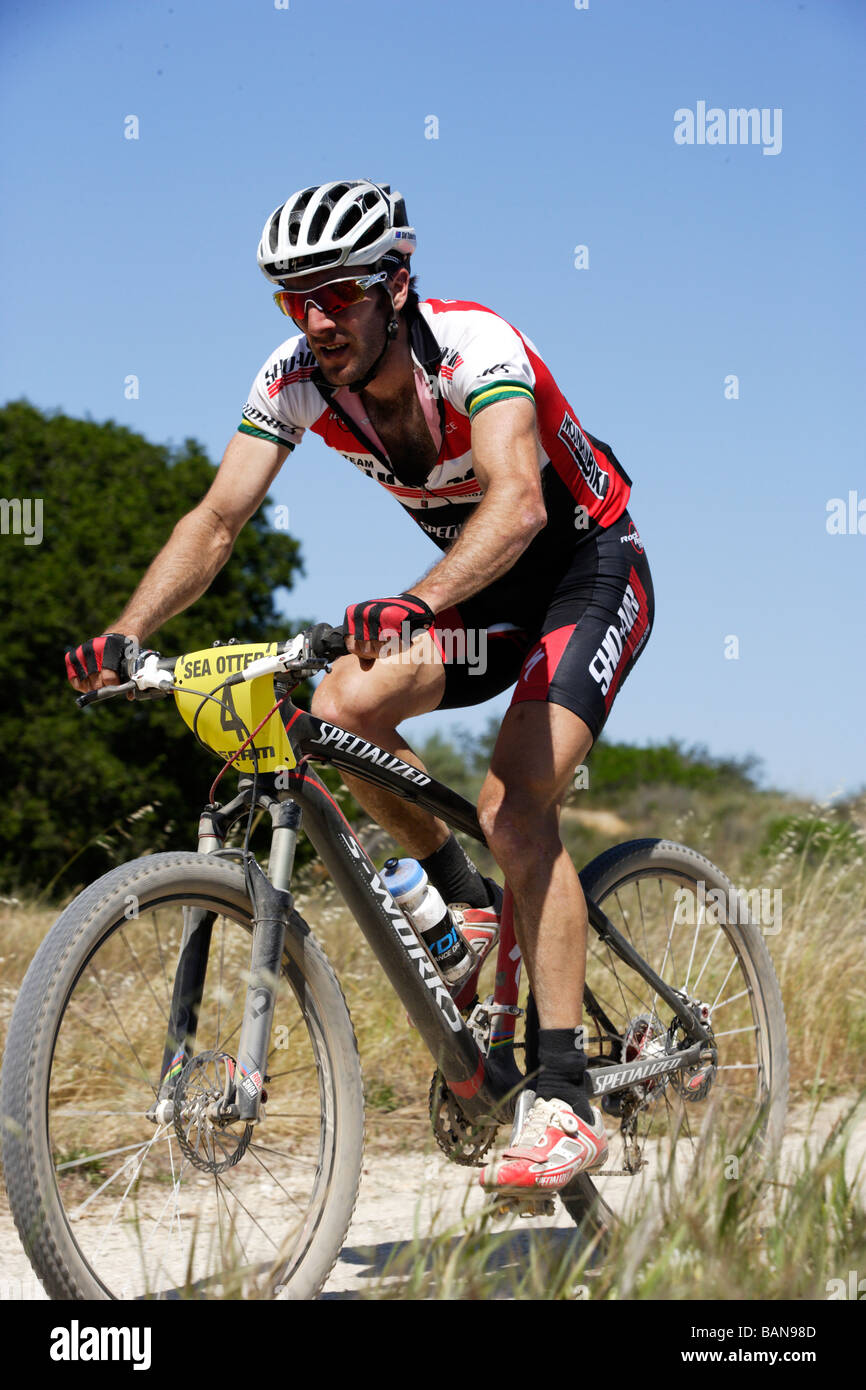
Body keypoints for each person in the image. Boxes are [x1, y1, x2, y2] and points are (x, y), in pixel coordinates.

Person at [65, 179, 655, 1195]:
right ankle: (467, 909)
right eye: (294, 300)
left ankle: (564, 1097)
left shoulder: (475, 349)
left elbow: (515, 506)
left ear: (394, 283)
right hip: (479, 598)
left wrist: (417, 598)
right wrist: (126, 633)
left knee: (515, 809)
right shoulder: (296, 377)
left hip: (584, 572)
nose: (316, 320)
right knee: (333, 706)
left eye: (336, 294)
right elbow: (216, 521)